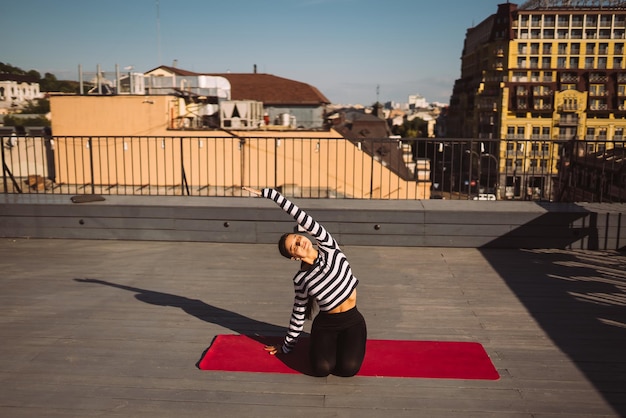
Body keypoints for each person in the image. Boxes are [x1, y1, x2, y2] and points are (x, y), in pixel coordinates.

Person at [243, 186, 367, 377]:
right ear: (294, 257)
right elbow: (298, 313)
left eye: (298, 238)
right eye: (294, 246)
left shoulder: (328, 246)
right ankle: (320, 342)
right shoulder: (301, 278)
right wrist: (286, 347)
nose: (301, 242)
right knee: (321, 370)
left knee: (348, 369)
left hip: (353, 321)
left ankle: (340, 344)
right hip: (327, 325)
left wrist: (270, 194)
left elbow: (300, 215)